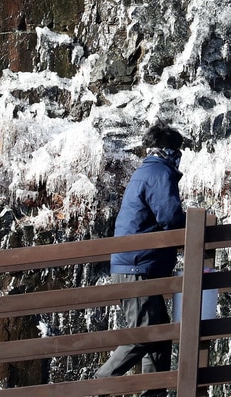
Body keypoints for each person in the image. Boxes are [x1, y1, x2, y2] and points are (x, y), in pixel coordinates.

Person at [94, 123, 187, 397]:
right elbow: (170, 218)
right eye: (178, 150)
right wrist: (193, 230)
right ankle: (98, 385)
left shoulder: (146, 171)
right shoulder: (158, 173)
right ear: (168, 150)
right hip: (138, 266)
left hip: (135, 264)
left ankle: (154, 393)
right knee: (146, 332)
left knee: (158, 333)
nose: (179, 156)